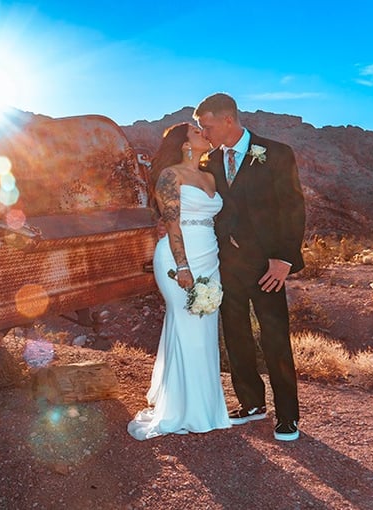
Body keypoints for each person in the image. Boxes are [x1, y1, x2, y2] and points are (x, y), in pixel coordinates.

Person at [193, 92, 306, 441]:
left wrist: (284, 258)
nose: (205, 133)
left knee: (274, 338)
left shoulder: (276, 153)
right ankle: (251, 403)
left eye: (207, 126)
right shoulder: (208, 161)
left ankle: (287, 416)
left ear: (228, 120)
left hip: (268, 266)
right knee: (236, 335)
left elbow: (293, 207)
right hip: (226, 266)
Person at [128, 122, 231, 440]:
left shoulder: (211, 176)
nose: (205, 134)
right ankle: (183, 410)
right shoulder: (170, 175)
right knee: (186, 324)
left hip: (209, 257)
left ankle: (206, 407)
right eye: (198, 132)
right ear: (184, 143)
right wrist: (183, 266)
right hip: (177, 259)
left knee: (204, 330)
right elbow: (172, 225)